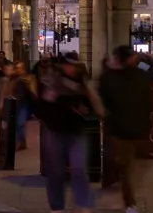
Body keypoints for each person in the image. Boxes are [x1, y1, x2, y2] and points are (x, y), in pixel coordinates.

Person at [34, 52, 103, 213]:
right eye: (69, 65)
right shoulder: (49, 82)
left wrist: (86, 110)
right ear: (61, 66)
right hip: (54, 130)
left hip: (77, 131)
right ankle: (57, 206)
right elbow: (40, 106)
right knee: (55, 171)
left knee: (79, 168)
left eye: (74, 66)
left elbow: (91, 104)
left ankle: (83, 203)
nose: (72, 69)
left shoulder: (82, 84)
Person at [98, 46, 152, 213]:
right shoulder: (141, 76)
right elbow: (149, 101)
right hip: (131, 129)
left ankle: (130, 201)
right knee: (127, 167)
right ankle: (130, 202)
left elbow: (104, 101)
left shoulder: (109, 78)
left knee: (126, 167)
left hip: (123, 129)